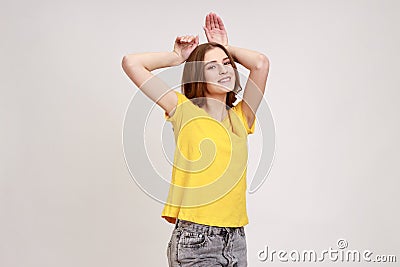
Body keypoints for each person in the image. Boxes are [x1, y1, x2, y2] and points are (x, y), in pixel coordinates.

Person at [122, 12, 269, 267]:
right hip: (196, 240)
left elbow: (260, 63)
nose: (223, 70)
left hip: (235, 239)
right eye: (211, 66)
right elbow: (131, 63)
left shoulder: (242, 117)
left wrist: (224, 46)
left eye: (226, 63)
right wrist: (177, 57)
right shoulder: (182, 110)